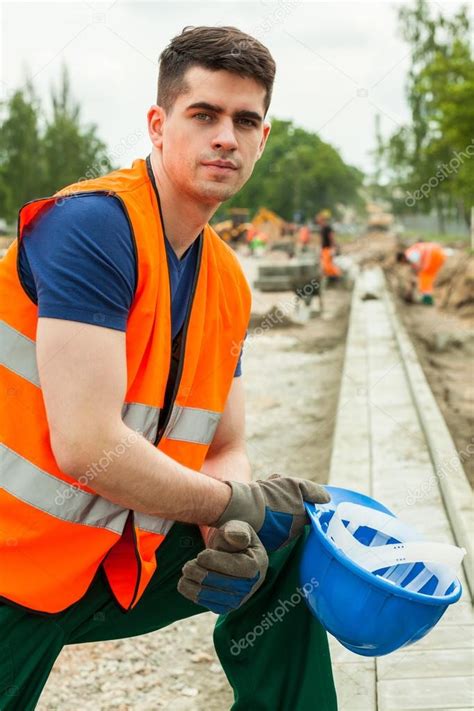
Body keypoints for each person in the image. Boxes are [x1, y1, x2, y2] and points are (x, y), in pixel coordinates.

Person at [0, 26, 337, 711]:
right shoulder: (92, 228)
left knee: (291, 548)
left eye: (246, 121)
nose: (226, 137)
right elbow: (87, 444)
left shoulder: (227, 282)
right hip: (11, 563)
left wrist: (233, 528)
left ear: (262, 140)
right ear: (158, 125)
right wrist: (232, 502)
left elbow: (226, 444)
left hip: (109, 562)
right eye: (204, 115)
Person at [316, 210, 341, 280]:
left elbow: (331, 237)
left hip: (327, 248)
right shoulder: (321, 228)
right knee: (325, 264)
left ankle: (337, 276)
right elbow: (321, 240)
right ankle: (332, 277)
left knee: (328, 264)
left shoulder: (327, 227)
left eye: (319, 219)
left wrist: (333, 247)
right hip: (324, 248)